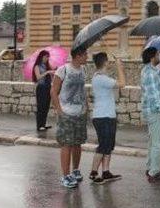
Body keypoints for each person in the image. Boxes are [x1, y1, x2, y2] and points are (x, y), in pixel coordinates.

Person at [51, 47, 88, 189]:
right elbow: (53, 91)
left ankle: (75, 170)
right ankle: (65, 176)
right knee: (66, 144)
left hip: (80, 113)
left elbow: (83, 90)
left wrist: (86, 107)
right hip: (66, 113)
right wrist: (59, 111)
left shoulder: (84, 70)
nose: (87, 56)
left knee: (78, 143)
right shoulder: (63, 70)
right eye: (85, 54)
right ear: (78, 56)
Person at [89, 53, 126, 184]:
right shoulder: (100, 78)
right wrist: (119, 67)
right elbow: (122, 84)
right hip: (103, 117)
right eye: (109, 61)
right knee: (103, 146)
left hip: (107, 115)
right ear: (105, 63)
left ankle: (105, 172)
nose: (110, 63)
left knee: (109, 146)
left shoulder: (101, 77)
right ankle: (94, 173)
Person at [140, 47, 160, 183]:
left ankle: (151, 167)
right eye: (158, 55)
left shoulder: (149, 71)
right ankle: (154, 172)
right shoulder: (151, 73)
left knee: (152, 142)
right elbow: (154, 96)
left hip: (151, 111)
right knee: (158, 143)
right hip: (155, 112)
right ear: (153, 57)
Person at [33, 50, 55, 131]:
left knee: (46, 107)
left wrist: (52, 72)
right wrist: (47, 72)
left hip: (47, 87)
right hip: (41, 88)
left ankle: (43, 124)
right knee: (41, 107)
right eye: (46, 56)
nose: (47, 58)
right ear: (41, 57)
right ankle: (39, 125)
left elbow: (52, 77)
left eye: (48, 57)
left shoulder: (47, 66)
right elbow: (38, 77)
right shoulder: (37, 66)